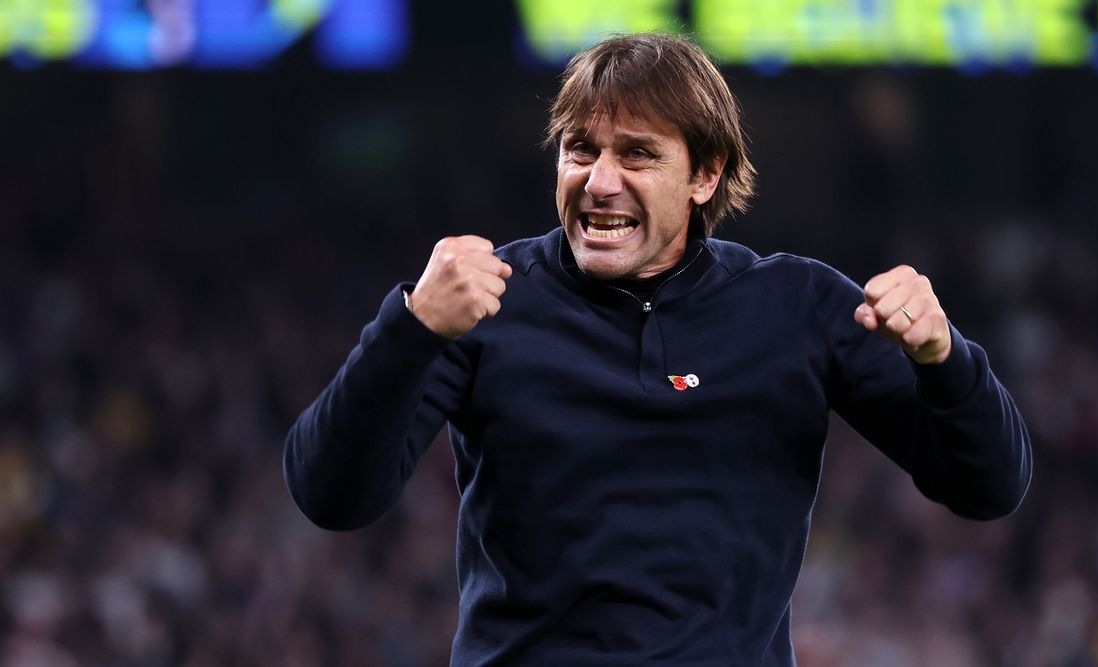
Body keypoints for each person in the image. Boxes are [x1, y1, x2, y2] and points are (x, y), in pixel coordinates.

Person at [283, 32, 1032, 666]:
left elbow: (988, 486)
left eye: (636, 155)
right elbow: (331, 496)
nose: (599, 181)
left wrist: (945, 358)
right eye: (580, 149)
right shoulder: (485, 302)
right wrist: (409, 327)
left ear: (703, 175)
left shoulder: (798, 307)